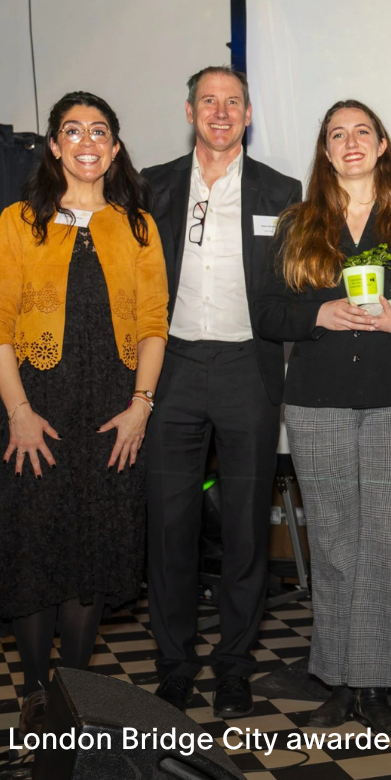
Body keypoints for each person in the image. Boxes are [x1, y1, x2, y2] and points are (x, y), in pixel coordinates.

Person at [0, 92, 167, 735]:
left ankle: (76, 688)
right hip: (34, 406)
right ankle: (37, 690)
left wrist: (140, 407)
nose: (87, 140)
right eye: (73, 130)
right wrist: (19, 413)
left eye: (100, 131)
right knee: (35, 545)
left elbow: (153, 325)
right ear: (55, 146)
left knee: (91, 547)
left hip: (111, 410)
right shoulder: (19, 220)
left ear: (114, 149)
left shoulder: (138, 226)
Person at [254, 99, 391, 734]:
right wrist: (314, 316)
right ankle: (338, 679)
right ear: (326, 152)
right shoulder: (298, 225)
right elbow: (267, 314)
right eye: (336, 135)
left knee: (382, 544)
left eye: (362, 132)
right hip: (315, 403)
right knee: (332, 544)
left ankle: (376, 684)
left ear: (382, 145)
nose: (350, 143)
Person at [143, 67, 302, 719]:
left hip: (248, 372)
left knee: (243, 532)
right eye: (208, 101)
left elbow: (297, 286)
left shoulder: (281, 191)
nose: (220, 111)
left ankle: (234, 669)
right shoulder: (151, 186)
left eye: (231, 101)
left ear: (248, 112)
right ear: (190, 111)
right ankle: (174, 668)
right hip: (170, 371)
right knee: (170, 528)